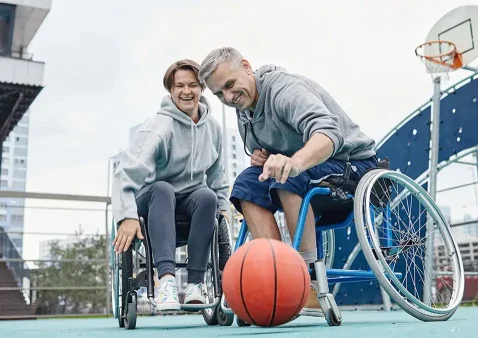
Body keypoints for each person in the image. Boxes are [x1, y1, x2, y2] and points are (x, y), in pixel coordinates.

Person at [198, 47, 378, 308]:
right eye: (219, 94)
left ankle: (307, 283)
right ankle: (278, 277)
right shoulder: (244, 108)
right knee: (247, 184)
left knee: (287, 177)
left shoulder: (283, 90)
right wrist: (263, 156)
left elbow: (329, 133)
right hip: (304, 172)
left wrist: (293, 162)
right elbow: (269, 150)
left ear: (247, 67)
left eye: (230, 85)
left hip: (353, 163)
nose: (228, 97)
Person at [111, 59, 229, 311]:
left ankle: (196, 285)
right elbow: (126, 173)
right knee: (163, 188)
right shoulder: (158, 126)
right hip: (153, 201)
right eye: (179, 86)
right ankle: (166, 281)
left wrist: (224, 210)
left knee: (208, 196)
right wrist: (127, 216)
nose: (186, 91)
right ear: (171, 90)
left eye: (193, 85)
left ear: (202, 88)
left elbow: (218, 177)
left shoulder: (214, 129)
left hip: (190, 206)